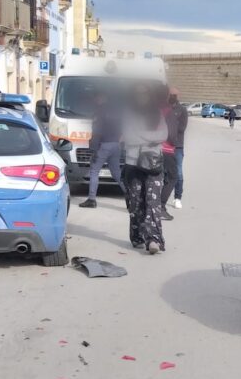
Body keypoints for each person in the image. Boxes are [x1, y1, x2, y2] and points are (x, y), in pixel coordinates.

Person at [123, 83, 168, 255]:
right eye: (139, 93)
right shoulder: (128, 115)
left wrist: (141, 135)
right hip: (133, 164)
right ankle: (137, 236)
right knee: (135, 204)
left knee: (153, 203)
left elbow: (163, 135)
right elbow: (128, 136)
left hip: (154, 164)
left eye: (145, 93)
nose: (142, 97)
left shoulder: (156, 114)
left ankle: (154, 239)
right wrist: (150, 138)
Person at [79, 89, 126, 208]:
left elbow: (97, 132)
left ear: (100, 98)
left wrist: (93, 150)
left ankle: (91, 199)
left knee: (94, 171)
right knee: (116, 173)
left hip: (103, 145)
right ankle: (131, 194)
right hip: (116, 145)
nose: (95, 100)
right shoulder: (116, 111)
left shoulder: (99, 112)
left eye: (96, 98)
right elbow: (123, 128)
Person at [167, 90, 188, 209]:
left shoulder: (182, 110)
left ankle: (177, 197)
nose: (172, 97)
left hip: (177, 146)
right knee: (164, 172)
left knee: (178, 173)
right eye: (170, 95)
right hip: (164, 145)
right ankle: (162, 198)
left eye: (174, 95)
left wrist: (168, 128)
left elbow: (182, 128)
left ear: (177, 96)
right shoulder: (164, 109)